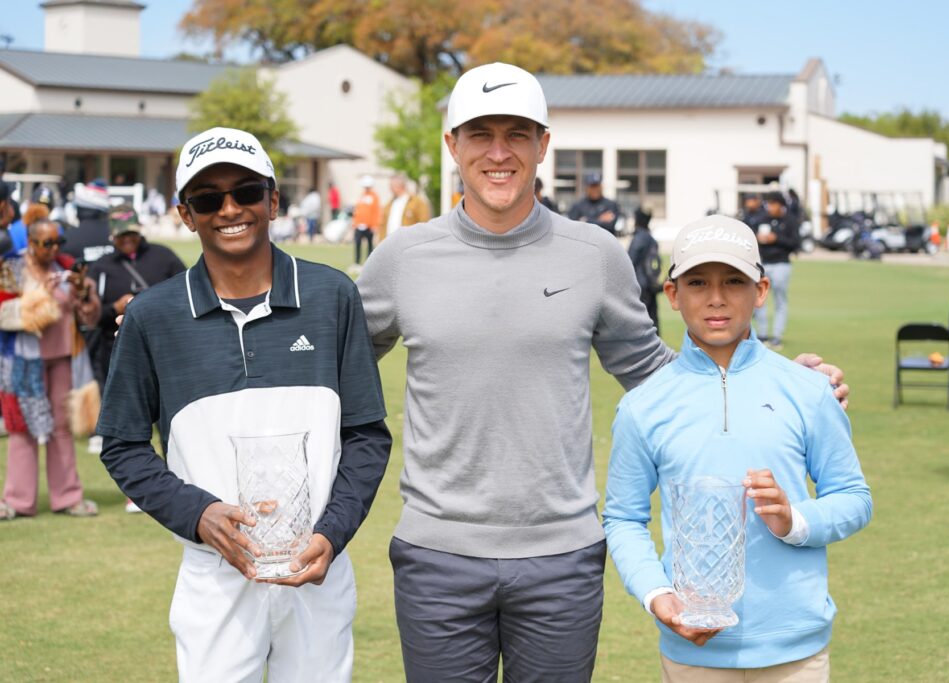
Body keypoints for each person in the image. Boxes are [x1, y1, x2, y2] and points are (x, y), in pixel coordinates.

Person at [357, 62, 849, 682]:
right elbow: (333, 369)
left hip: (562, 559)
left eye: (518, 134)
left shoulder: (595, 254)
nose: (499, 153)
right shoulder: (402, 258)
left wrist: (781, 381)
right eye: (480, 134)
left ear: (544, 145)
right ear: (453, 145)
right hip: (438, 557)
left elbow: (659, 375)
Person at [96, 126, 391, 680]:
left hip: (316, 571)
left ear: (273, 200)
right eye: (208, 199)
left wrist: (332, 533)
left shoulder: (332, 296)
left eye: (247, 192)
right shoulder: (152, 317)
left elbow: (367, 436)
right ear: (186, 214)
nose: (230, 208)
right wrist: (199, 515)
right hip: (215, 577)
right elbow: (124, 446)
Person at [603, 215, 872, 682]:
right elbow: (624, 517)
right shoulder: (643, 407)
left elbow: (854, 497)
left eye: (734, 281)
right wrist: (655, 593)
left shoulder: (807, 390)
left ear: (761, 290)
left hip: (796, 653)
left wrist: (796, 521)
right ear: (672, 295)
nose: (716, 298)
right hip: (694, 653)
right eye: (697, 282)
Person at [0, 219, 102, 521]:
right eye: (47, 243)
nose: (54, 249)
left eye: (58, 242)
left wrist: (83, 292)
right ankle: (18, 500)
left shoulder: (68, 266)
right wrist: (41, 298)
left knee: (62, 427)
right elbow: (4, 315)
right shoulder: (11, 267)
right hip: (22, 360)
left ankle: (68, 497)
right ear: (31, 242)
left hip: (64, 357)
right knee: (23, 428)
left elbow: (90, 316)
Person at [87, 207, 186, 512]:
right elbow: (92, 316)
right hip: (119, 354)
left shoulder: (164, 256)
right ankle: (142, 493)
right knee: (133, 429)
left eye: (131, 234)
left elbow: (189, 292)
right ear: (112, 237)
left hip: (168, 352)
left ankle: (183, 485)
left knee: (174, 425)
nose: (127, 241)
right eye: (121, 236)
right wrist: (113, 307)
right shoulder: (101, 267)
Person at [752, 191, 801, 348]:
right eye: (768, 203)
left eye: (773, 203)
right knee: (759, 299)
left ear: (781, 205)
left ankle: (777, 336)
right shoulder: (761, 219)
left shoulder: (790, 220)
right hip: (763, 263)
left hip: (781, 263)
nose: (770, 207)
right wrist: (759, 239)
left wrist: (777, 238)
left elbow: (795, 243)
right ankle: (762, 334)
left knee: (780, 300)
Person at [628, 207, 661, 333]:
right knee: (653, 322)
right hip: (651, 285)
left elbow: (629, 261)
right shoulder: (651, 238)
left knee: (639, 324)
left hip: (640, 286)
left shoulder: (639, 238)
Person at [381, 172, 430, 241]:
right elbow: (382, 225)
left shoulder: (417, 202)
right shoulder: (389, 204)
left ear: (399, 186)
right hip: (390, 244)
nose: (390, 189)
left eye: (391, 186)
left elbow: (424, 223)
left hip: (408, 244)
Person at [352, 175, 380, 264]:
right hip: (359, 225)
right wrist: (355, 222)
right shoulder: (361, 196)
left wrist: (375, 225)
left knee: (370, 245)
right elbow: (357, 210)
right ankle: (357, 262)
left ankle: (369, 263)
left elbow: (376, 211)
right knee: (357, 244)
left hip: (369, 225)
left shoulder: (374, 197)